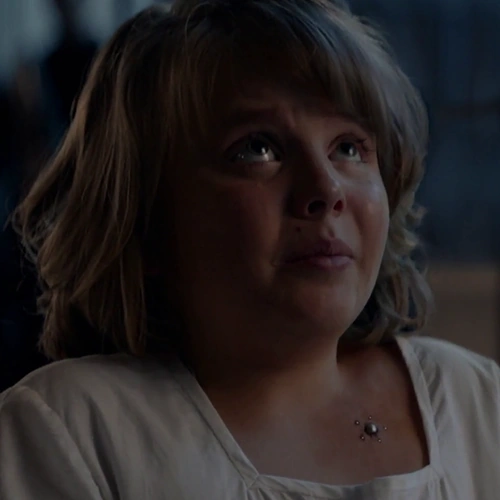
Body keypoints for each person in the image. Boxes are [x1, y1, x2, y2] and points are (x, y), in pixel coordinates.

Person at [1, 1, 499, 498]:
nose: (326, 189)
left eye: (348, 147)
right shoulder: (70, 431)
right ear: (144, 220)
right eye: (257, 149)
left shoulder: (476, 400)